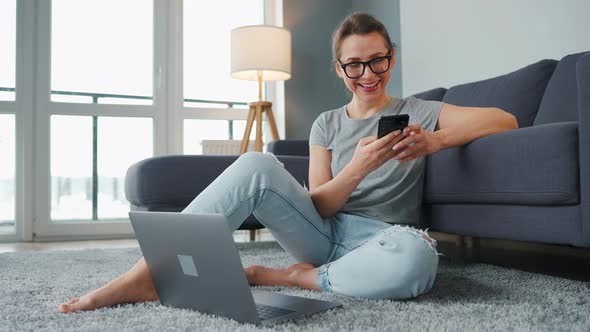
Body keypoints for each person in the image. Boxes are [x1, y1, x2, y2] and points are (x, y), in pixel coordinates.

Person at [59, 13, 518, 313]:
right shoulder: (326, 124)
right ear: (340, 70)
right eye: (354, 65)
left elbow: (504, 120)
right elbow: (319, 205)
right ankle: (144, 276)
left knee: (420, 258)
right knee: (256, 164)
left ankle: (290, 277)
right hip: (326, 233)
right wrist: (357, 167)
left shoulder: (419, 111)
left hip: (386, 239)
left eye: (377, 61)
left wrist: (433, 143)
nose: (368, 75)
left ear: (390, 59)